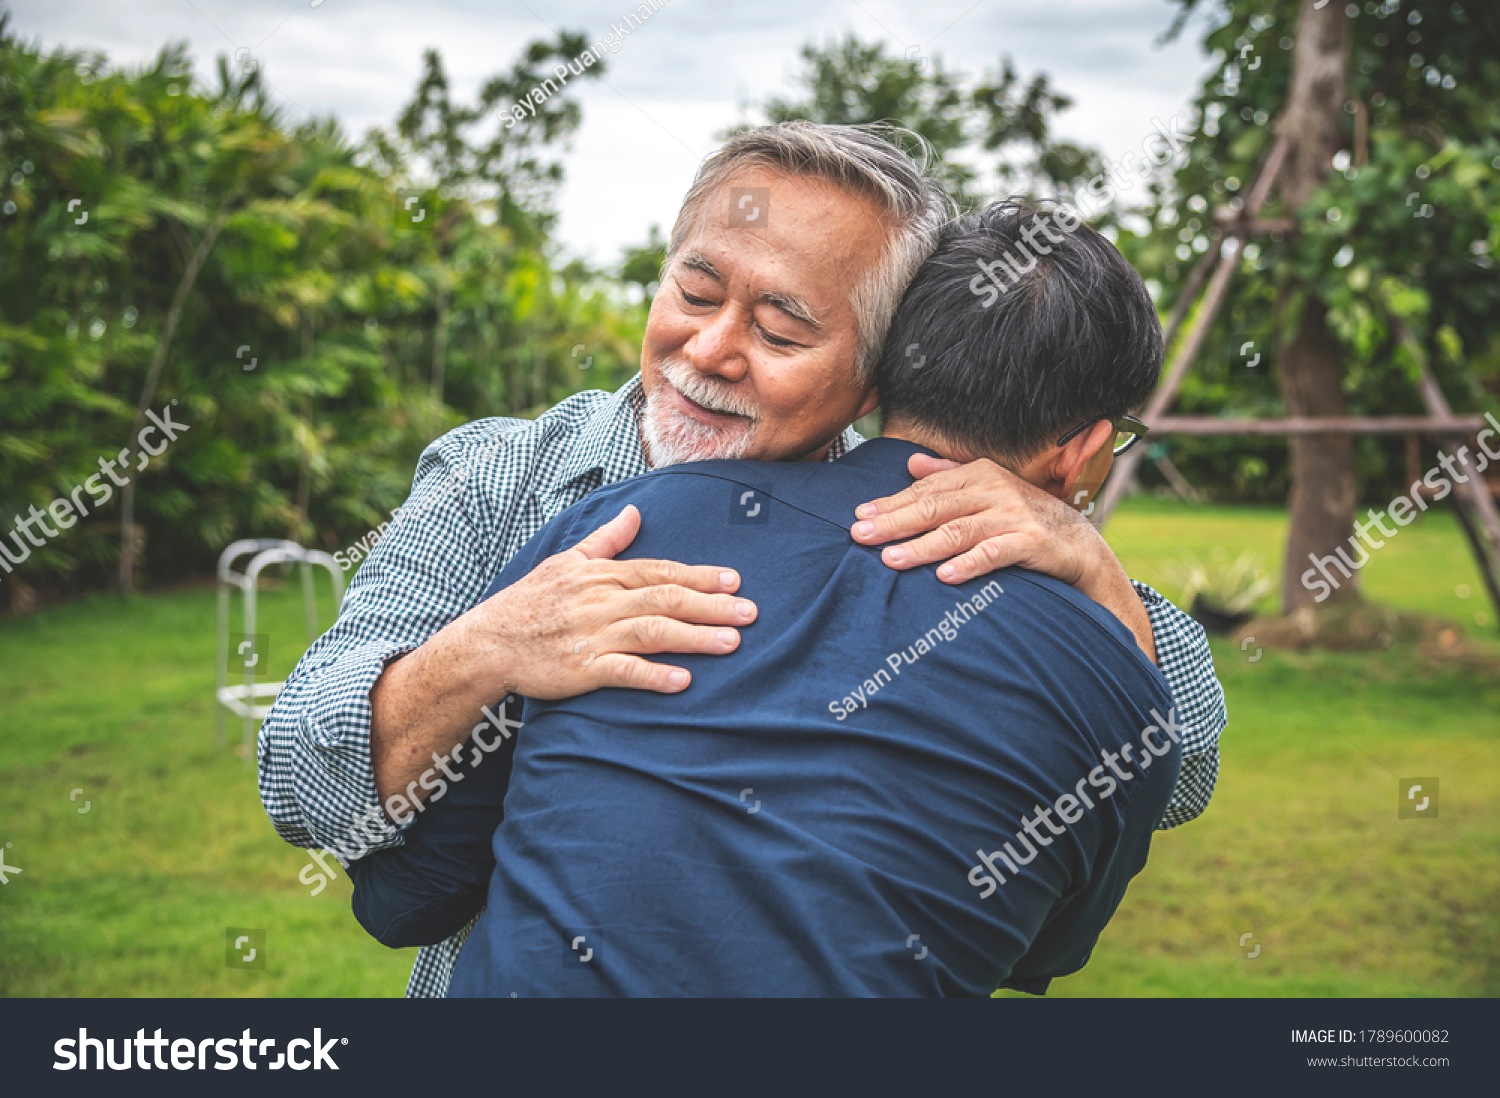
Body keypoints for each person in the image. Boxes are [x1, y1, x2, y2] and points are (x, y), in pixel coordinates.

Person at [258, 122, 1225, 998]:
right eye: (694, 291)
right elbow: (300, 781)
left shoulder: (933, 526)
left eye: (781, 329)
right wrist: (488, 648)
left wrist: (1090, 562)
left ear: (874, 378)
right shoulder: (499, 477)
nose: (711, 348)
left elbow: (1175, 771)